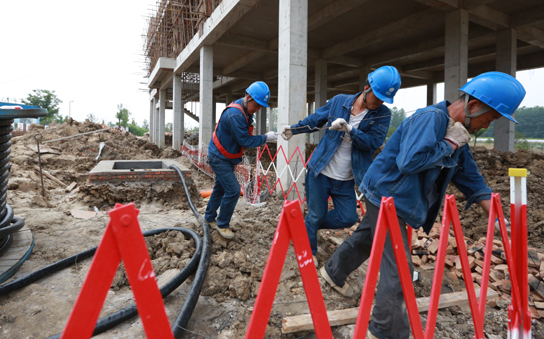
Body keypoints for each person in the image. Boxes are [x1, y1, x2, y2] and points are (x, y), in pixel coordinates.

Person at [320, 71, 526, 339]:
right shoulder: (432, 119)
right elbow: (409, 162)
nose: (487, 126)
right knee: (399, 269)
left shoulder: (456, 133)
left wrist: (495, 216)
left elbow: (470, 177)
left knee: (368, 237)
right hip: (387, 195)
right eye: (492, 118)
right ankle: (385, 331)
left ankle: (332, 273)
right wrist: (448, 144)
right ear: (474, 106)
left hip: (393, 196)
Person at [281, 66, 401, 266]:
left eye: (383, 100)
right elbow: (316, 119)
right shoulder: (338, 101)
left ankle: (307, 225)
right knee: (316, 213)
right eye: (377, 97)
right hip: (321, 171)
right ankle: (308, 253)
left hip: (346, 179)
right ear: (366, 88)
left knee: (347, 217)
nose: (379, 102)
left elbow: (373, 143)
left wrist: (350, 129)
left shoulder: (382, 115)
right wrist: (295, 129)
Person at [205, 81, 278, 239]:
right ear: (249, 97)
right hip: (219, 158)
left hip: (225, 156)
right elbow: (245, 141)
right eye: (257, 105)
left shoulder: (245, 111)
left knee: (220, 189)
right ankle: (222, 224)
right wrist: (266, 137)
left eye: (261, 106)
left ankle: (209, 218)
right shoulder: (236, 115)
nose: (258, 109)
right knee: (233, 190)